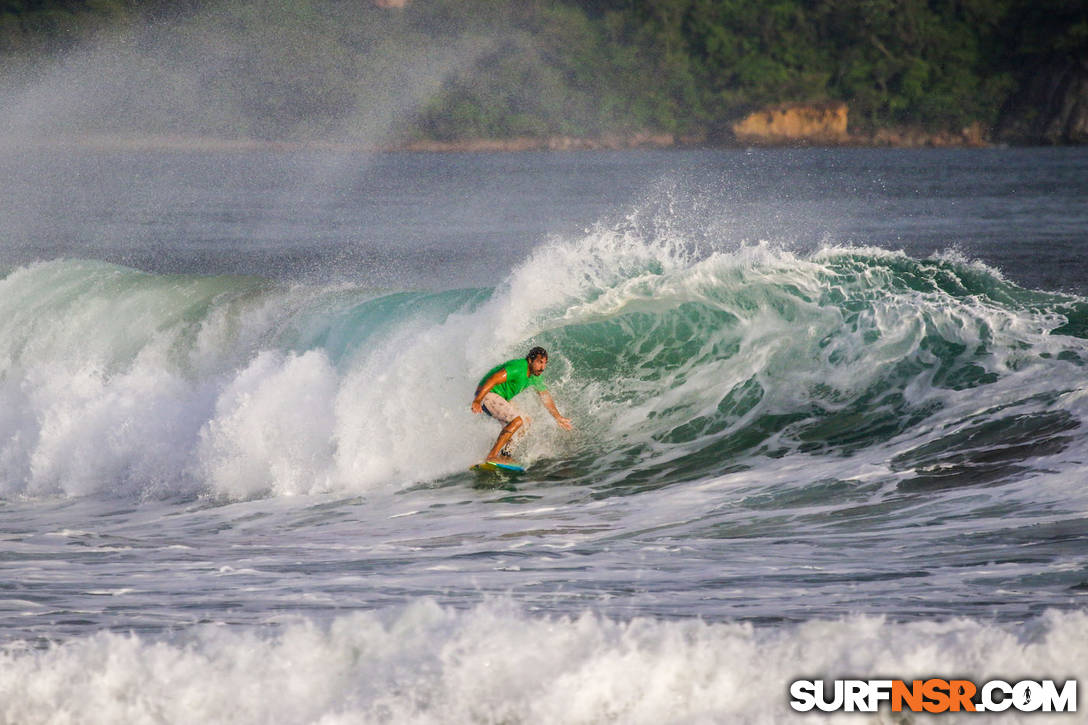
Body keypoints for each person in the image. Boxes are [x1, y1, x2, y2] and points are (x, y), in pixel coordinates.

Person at [470, 346, 573, 463]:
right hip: (486, 394)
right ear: (530, 360)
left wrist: (557, 417)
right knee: (517, 420)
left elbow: (545, 396)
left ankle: (506, 455)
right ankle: (491, 456)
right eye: (539, 362)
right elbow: (493, 379)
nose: (543, 367)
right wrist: (477, 400)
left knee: (526, 422)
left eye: (545, 363)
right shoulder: (518, 367)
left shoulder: (534, 376)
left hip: (499, 397)